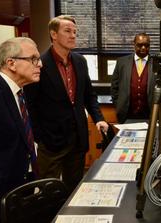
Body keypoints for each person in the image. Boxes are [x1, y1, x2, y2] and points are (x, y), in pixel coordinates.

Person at [24, 15, 108, 193]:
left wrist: (99, 118)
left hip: (77, 138)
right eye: (68, 31)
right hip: (51, 141)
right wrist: (40, 137)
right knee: (48, 191)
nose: (73, 36)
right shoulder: (40, 64)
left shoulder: (80, 61)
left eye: (75, 32)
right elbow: (30, 105)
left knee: (74, 189)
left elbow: (89, 95)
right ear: (54, 35)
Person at [0, 37, 42, 223]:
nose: (40, 64)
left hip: (21, 189)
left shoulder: (19, 91)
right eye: (33, 59)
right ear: (11, 63)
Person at [111, 33, 156, 123]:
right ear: (134, 45)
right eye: (140, 45)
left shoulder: (158, 63)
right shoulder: (122, 62)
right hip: (126, 115)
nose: (143, 48)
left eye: (146, 45)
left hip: (151, 115)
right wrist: (119, 105)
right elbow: (114, 87)